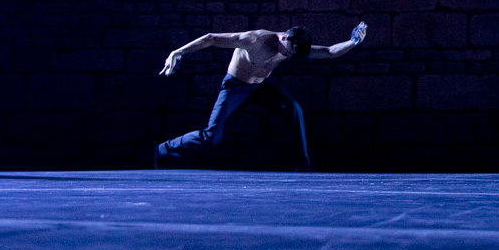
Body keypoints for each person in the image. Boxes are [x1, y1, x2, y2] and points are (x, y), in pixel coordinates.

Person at [156, 21, 367, 170]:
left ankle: (302, 164)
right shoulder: (253, 39)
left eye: (291, 55)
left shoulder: (294, 46)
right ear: (284, 37)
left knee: (293, 109)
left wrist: (353, 41)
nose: (286, 56)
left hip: (260, 87)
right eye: (288, 52)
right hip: (235, 87)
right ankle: (163, 151)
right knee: (211, 137)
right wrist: (177, 52)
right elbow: (211, 39)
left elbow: (329, 51)